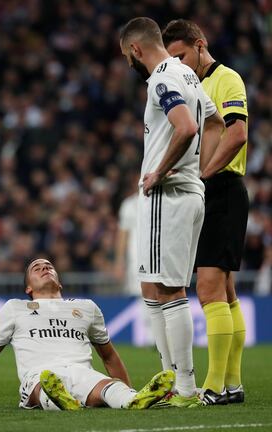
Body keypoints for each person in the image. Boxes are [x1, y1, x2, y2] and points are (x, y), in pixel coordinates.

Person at [119, 17, 224, 408]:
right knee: (151, 286)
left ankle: (183, 387)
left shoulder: (162, 78)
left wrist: (161, 171)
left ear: (135, 50)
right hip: (183, 192)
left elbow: (186, 128)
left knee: (169, 289)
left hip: (169, 194)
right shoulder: (189, 75)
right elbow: (214, 123)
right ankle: (168, 378)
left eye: (126, 56)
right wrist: (200, 169)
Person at [0, 258, 174, 410]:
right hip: (38, 376)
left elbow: (109, 357)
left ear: (60, 282)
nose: (44, 268)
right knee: (44, 387)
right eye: (37, 268)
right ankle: (62, 401)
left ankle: (132, 400)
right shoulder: (14, 308)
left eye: (49, 266)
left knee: (110, 388)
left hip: (81, 372)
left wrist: (125, 388)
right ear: (28, 287)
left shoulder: (87, 307)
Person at [162, 19, 249, 405]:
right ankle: (232, 384)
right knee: (225, 291)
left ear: (200, 45)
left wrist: (204, 174)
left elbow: (237, 133)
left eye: (181, 55)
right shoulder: (187, 84)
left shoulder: (226, 78)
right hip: (207, 192)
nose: (177, 63)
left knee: (208, 288)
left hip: (222, 189)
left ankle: (213, 386)